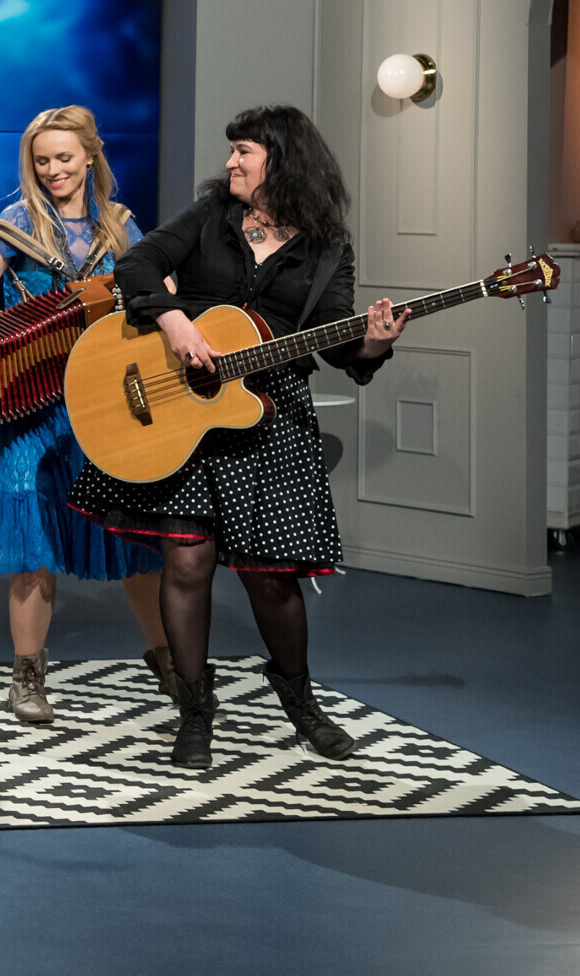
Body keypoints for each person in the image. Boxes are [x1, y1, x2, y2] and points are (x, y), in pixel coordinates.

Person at [68, 104, 411, 769]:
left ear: (281, 160)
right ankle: (196, 713)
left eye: (243, 151)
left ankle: (301, 704)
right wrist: (175, 323)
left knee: (272, 578)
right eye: (232, 150)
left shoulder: (328, 247)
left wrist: (373, 344)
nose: (230, 162)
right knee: (186, 562)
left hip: (270, 416)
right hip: (185, 405)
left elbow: (338, 342)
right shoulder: (210, 218)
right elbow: (138, 265)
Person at [0, 106, 170, 724]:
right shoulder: (15, 227)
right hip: (26, 409)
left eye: (64, 157)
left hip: (104, 404)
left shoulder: (121, 227)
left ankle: (172, 661)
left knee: (136, 538)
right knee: (31, 542)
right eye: (42, 161)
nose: (54, 170)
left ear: (91, 156)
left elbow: (161, 302)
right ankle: (27, 677)